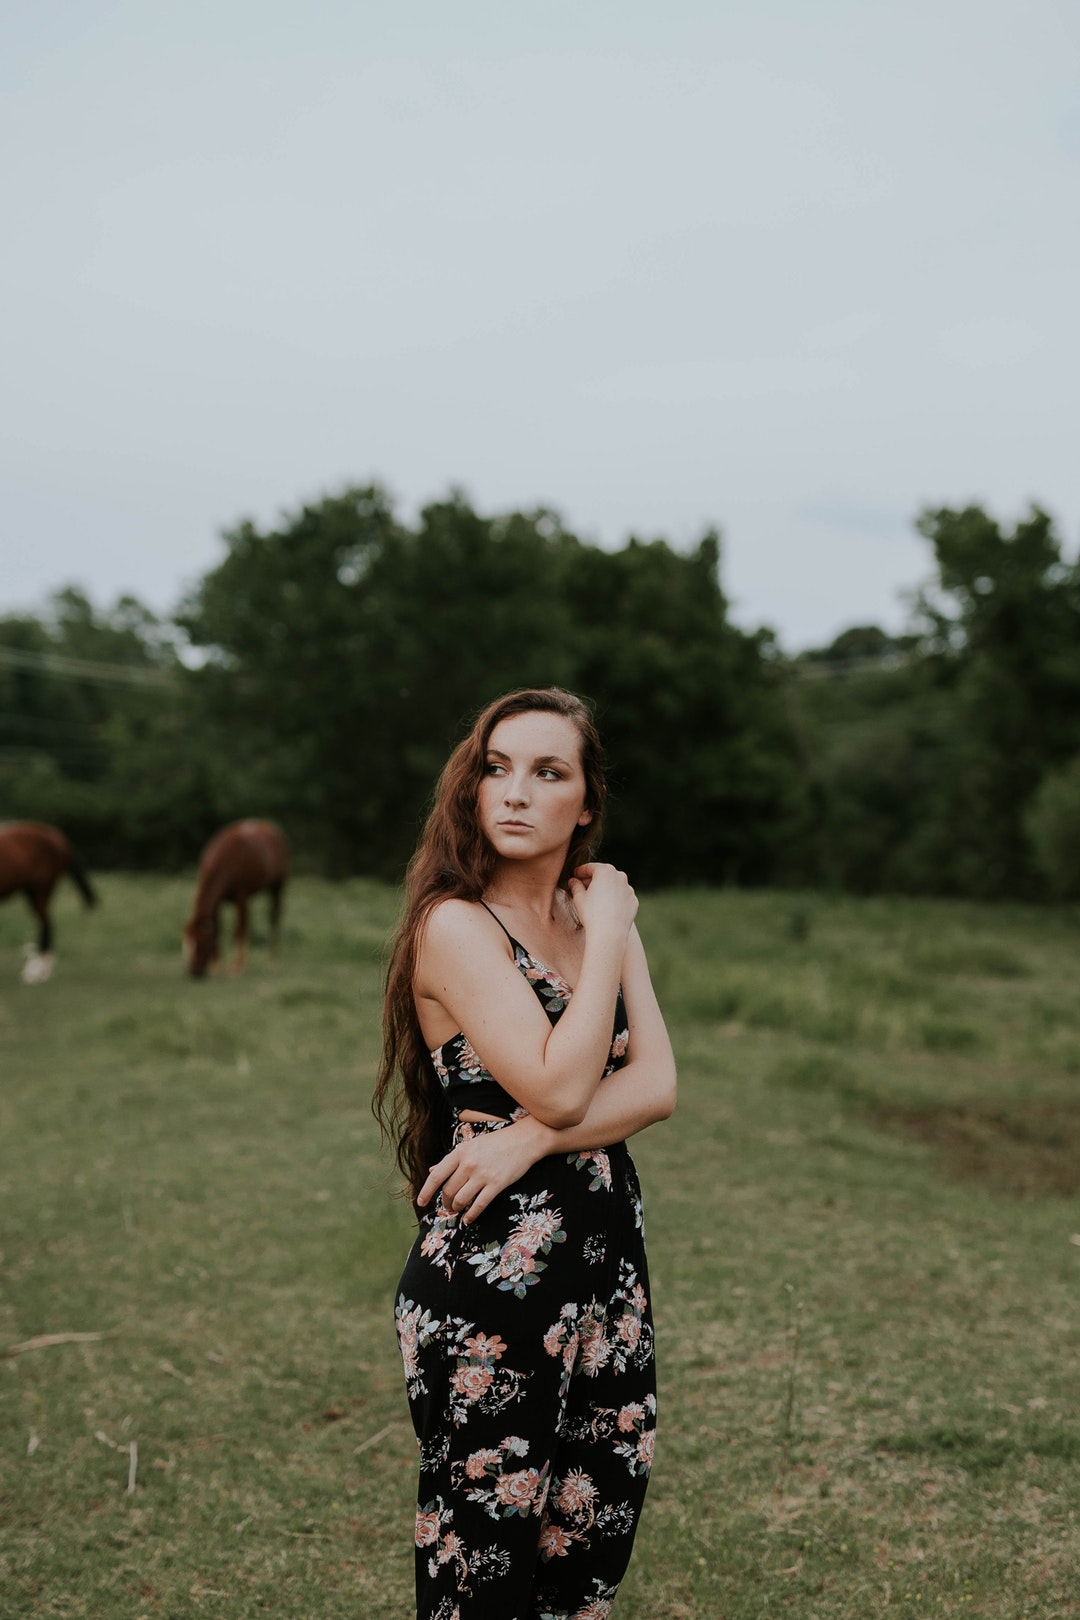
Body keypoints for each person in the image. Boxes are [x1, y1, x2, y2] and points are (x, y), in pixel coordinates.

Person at [375, 687, 676, 1620]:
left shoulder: (592, 918)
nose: (513, 791)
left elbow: (657, 1085)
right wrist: (616, 934)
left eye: (548, 772)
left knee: (585, 1557)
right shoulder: (456, 926)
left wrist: (525, 1144)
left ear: (584, 804)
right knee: (483, 1569)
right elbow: (561, 1084)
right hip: (492, 1281)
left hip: (606, 1272)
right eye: (495, 768)